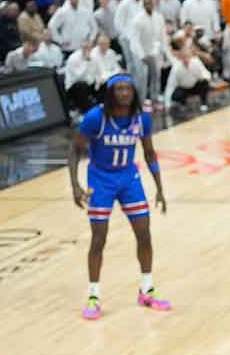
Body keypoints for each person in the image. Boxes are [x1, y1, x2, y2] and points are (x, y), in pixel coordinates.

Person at [67, 75, 170, 320]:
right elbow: (75, 150)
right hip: (100, 180)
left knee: (144, 233)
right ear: (111, 92)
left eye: (128, 89)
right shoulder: (95, 117)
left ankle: (147, 289)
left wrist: (160, 188)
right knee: (99, 238)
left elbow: (149, 153)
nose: (124, 93)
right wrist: (75, 185)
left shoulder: (141, 118)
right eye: (119, 89)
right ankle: (93, 295)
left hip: (128, 178)